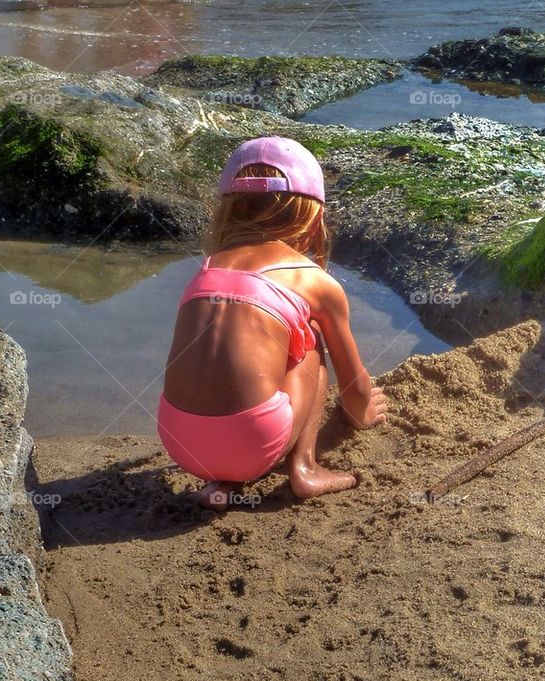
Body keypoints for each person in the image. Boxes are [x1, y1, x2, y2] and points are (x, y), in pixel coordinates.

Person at [157, 135, 388, 511]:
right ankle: (305, 468)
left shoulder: (206, 270)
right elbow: (354, 392)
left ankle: (223, 483)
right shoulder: (312, 280)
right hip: (253, 442)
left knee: (232, 355)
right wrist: (364, 411)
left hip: (179, 440)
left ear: (228, 211)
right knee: (310, 340)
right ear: (313, 215)